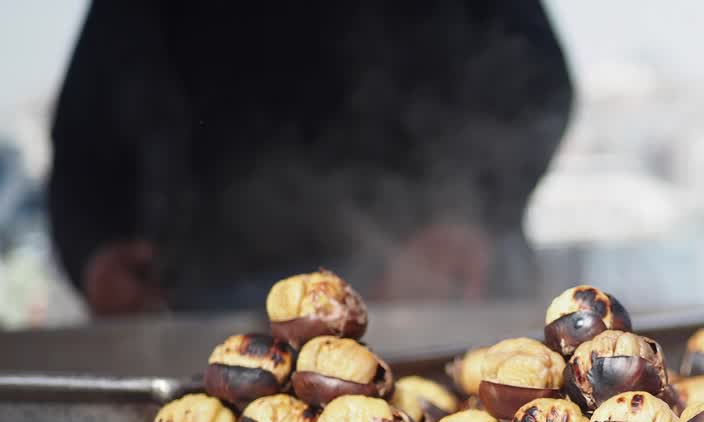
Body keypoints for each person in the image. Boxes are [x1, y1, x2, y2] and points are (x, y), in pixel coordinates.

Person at [49, 1, 571, 315]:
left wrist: (470, 214)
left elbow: (536, 76)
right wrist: (93, 251)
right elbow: (83, 131)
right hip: (204, 301)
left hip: (417, 284)